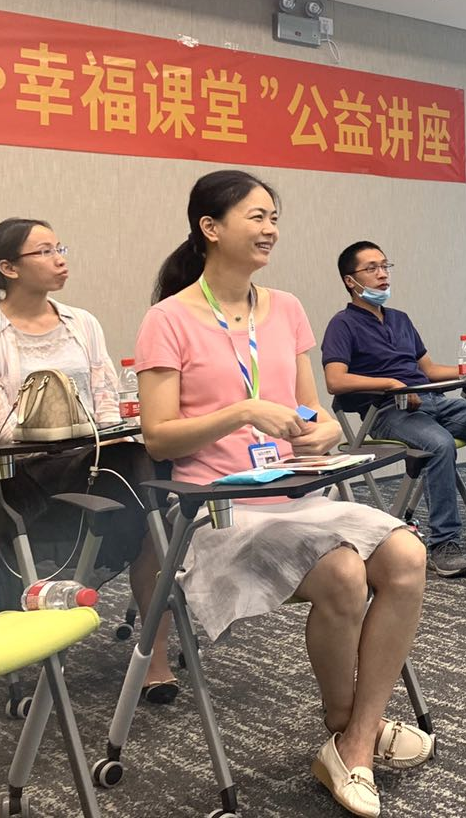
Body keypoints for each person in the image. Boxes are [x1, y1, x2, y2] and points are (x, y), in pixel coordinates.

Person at [134, 170, 429, 818]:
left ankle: (354, 737)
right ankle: (350, 731)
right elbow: (158, 437)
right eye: (256, 217)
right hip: (217, 508)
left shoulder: (287, 308)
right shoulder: (168, 319)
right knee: (344, 573)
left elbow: (311, 410)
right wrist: (242, 411)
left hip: (296, 491)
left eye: (274, 217)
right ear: (210, 228)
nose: (270, 229)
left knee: (408, 555)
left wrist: (323, 430)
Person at [0, 218, 176, 701]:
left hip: (93, 460)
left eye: (61, 248)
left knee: (145, 464)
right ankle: (143, 532)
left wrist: (104, 429)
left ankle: (155, 658)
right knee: (147, 482)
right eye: (45, 251)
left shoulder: (82, 322)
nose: (60, 259)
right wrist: (75, 429)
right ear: (8, 268)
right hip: (19, 472)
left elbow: (106, 398)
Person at [322, 242, 466, 580]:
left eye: (385, 266)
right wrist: (390, 384)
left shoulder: (400, 319)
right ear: (350, 280)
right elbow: (335, 380)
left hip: (432, 401)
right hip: (387, 412)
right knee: (439, 444)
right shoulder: (342, 324)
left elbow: (428, 370)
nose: (382, 274)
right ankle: (444, 543)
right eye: (371, 268)